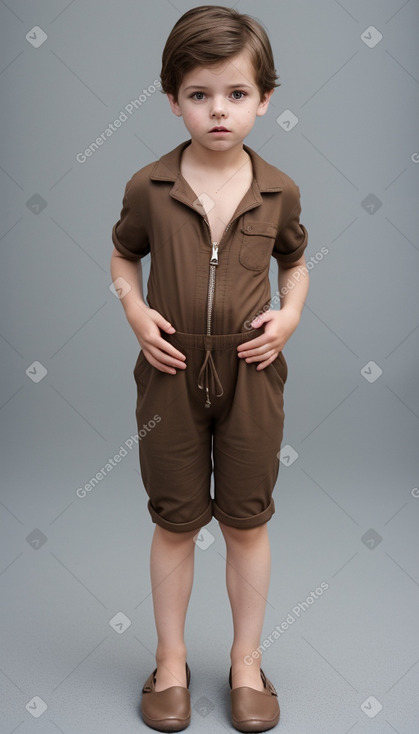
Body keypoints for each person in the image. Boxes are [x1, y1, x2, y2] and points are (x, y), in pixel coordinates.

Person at [110, 5, 309, 731]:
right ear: (172, 100)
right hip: (168, 373)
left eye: (235, 94)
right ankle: (169, 661)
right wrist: (133, 309)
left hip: (253, 374)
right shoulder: (148, 186)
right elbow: (122, 255)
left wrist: (288, 316)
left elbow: (297, 261)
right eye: (198, 95)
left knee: (246, 523)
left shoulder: (278, 188)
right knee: (173, 522)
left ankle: (246, 662)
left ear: (263, 99)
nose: (217, 110)